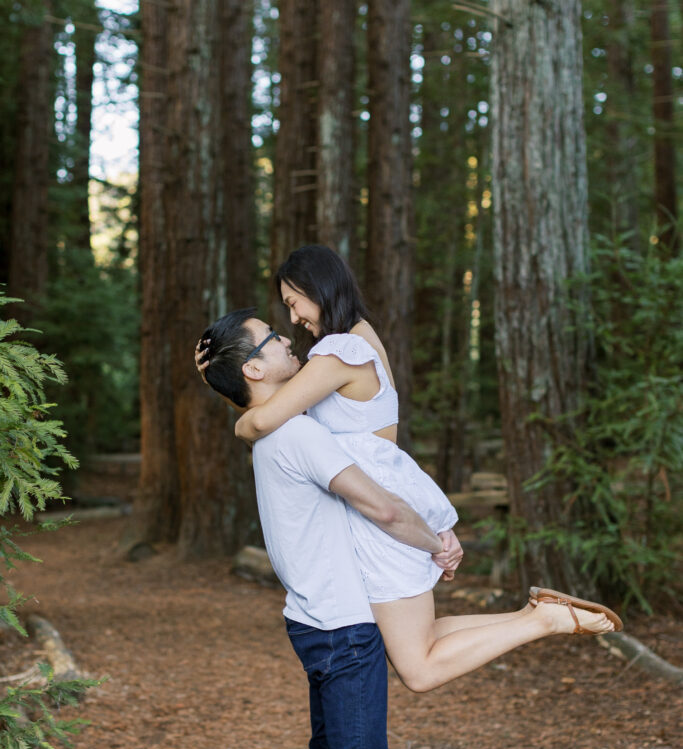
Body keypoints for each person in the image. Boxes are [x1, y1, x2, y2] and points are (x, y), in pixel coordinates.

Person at [195, 247, 622, 698]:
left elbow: (261, 420)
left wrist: (239, 424)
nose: (294, 316)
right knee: (418, 636)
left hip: (380, 512)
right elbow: (268, 401)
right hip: (384, 499)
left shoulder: (340, 351)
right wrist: (223, 379)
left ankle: (543, 620)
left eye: (292, 302)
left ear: (315, 289)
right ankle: (539, 612)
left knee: (418, 669)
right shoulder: (356, 341)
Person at [197, 309, 464, 749]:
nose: (290, 341)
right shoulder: (296, 433)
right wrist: (436, 540)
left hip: (312, 623)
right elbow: (379, 507)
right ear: (255, 368)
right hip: (343, 631)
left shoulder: (274, 434)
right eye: (273, 338)